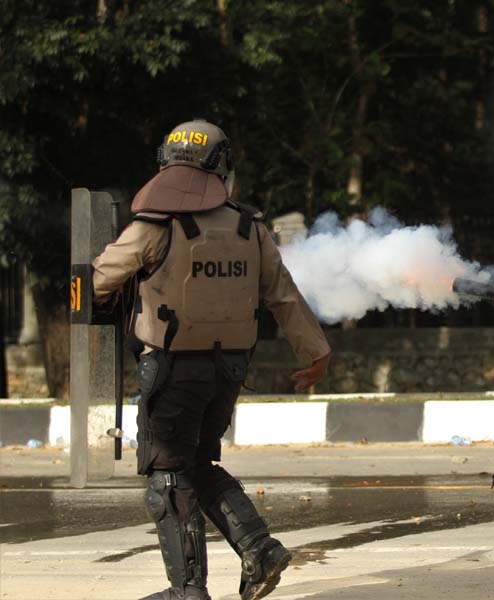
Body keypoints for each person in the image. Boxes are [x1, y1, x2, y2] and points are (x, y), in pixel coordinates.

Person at [92, 119, 331, 600]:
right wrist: (316, 352)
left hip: (171, 371)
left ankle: (187, 591)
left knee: (168, 474)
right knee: (197, 463)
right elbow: (283, 296)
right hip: (229, 370)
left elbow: (97, 281)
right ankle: (260, 549)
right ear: (221, 167)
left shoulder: (154, 226)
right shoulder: (250, 227)